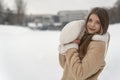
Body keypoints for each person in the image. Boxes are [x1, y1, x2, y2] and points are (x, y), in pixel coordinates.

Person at [58, 7, 110, 80]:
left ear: (103, 25)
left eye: (97, 22)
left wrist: (71, 47)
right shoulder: (84, 38)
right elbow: (66, 66)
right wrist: (66, 45)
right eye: (90, 20)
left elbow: (80, 74)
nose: (92, 24)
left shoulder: (98, 46)